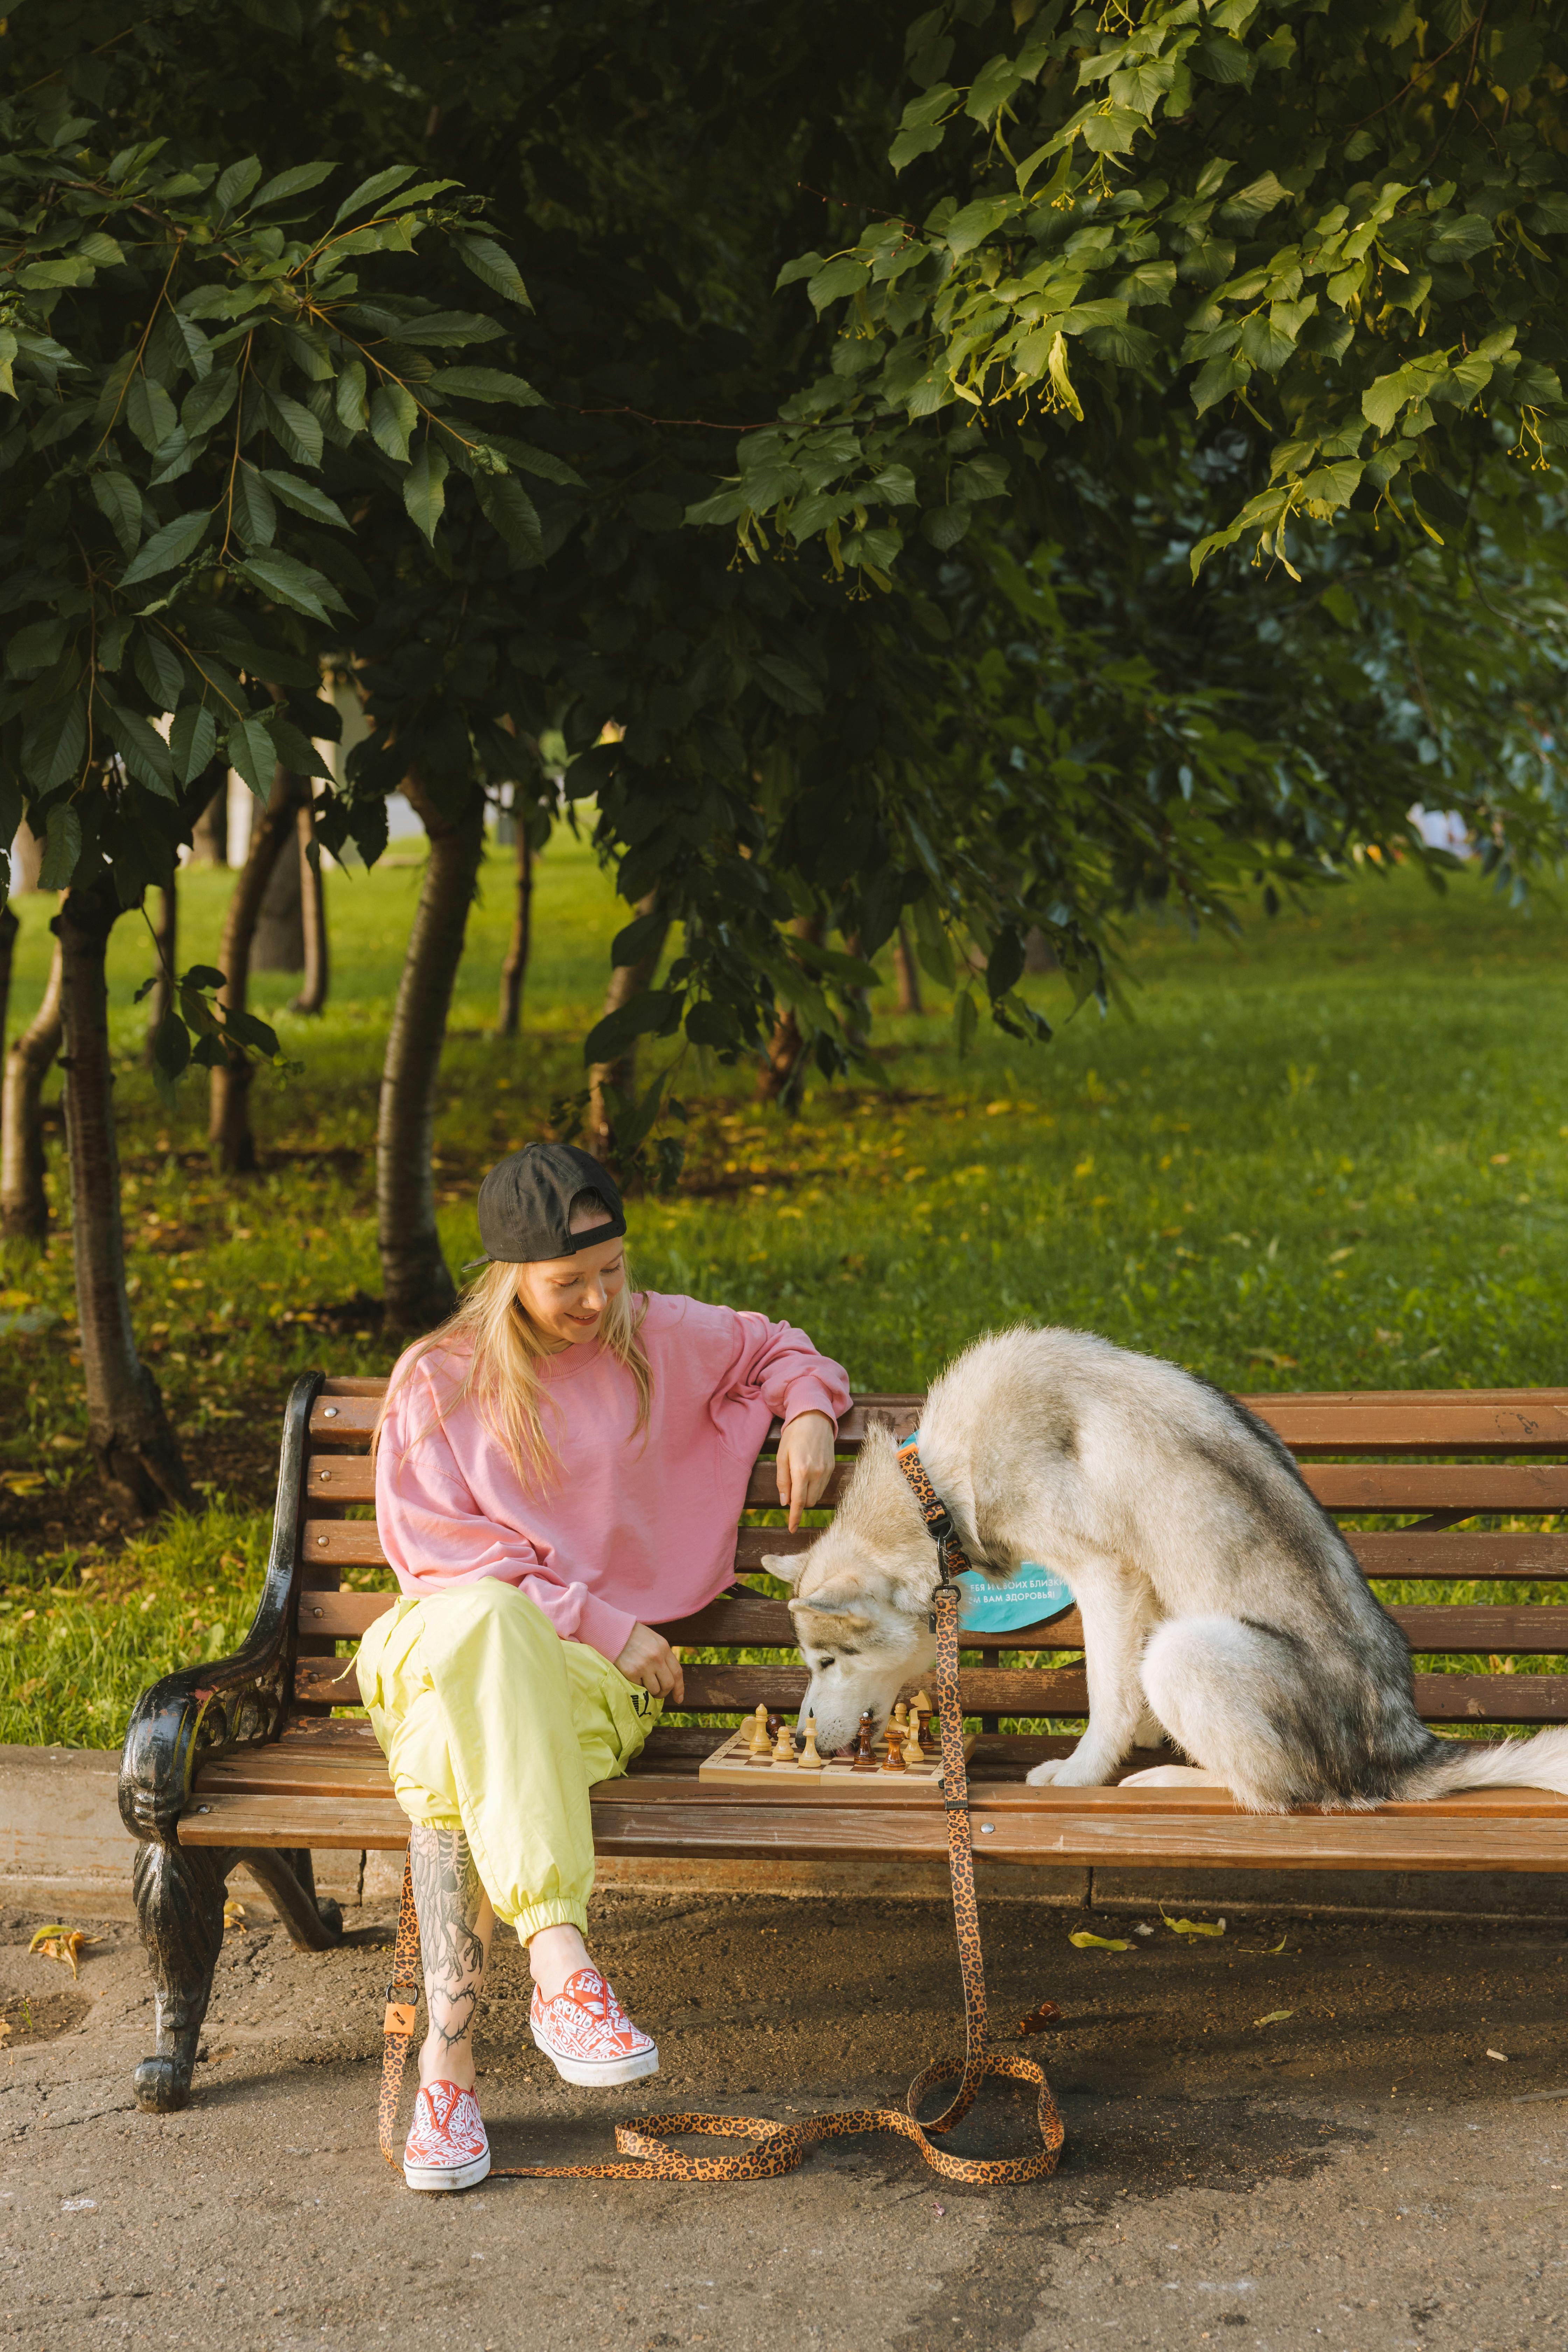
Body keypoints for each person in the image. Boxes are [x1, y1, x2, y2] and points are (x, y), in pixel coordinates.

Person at [356, 1140, 850, 2191]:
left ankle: (446, 2072)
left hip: (562, 1693)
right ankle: (560, 1964)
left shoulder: (658, 1335)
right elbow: (445, 1565)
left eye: (613, 1271)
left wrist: (808, 1410)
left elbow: (782, 1348)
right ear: (506, 1279)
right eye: (568, 1283)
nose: (598, 1300)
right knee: (488, 1621)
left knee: (464, 1750)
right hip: (437, 1645)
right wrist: (606, 1622)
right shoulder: (439, 1381)